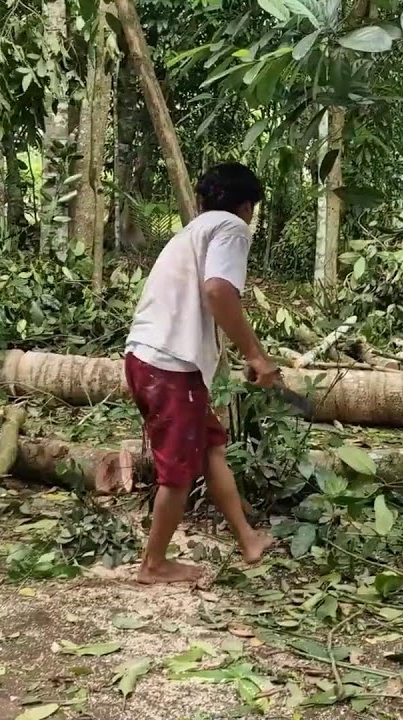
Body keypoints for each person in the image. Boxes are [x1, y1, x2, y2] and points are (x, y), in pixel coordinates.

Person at [124, 162, 278, 585]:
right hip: (170, 365)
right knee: (178, 471)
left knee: (210, 448)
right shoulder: (230, 227)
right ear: (246, 206)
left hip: (152, 359)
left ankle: (248, 540)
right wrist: (256, 356)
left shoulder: (191, 232)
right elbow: (218, 290)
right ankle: (153, 565)